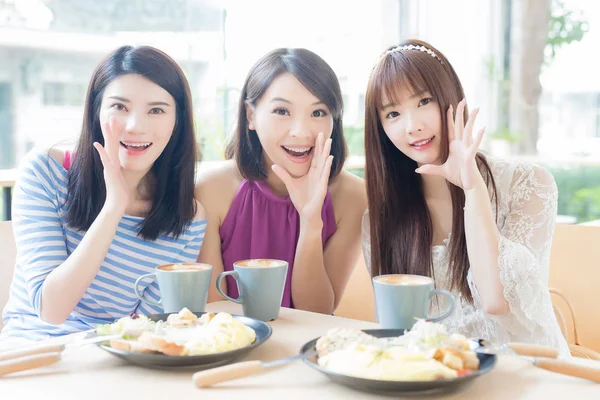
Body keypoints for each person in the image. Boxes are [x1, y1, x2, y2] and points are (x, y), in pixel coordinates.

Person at [362, 39, 569, 353]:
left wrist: (473, 190)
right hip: (442, 379)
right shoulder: (382, 218)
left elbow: (496, 299)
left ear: (450, 98)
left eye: (423, 101)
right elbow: (396, 330)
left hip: (530, 375)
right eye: (392, 114)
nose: (412, 126)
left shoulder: (529, 184)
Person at [1, 46, 206, 342]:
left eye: (157, 110)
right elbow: (52, 310)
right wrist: (113, 208)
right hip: (32, 354)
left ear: (177, 122)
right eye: (120, 107)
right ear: (96, 110)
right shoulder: (46, 172)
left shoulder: (187, 217)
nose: (135, 126)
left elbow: (150, 328)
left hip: (117, 362)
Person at [196, 48, 367, 314]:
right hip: (233, 347)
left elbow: (317, 312)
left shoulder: (353, 196)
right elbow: (213, 309)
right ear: (250, 116)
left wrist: (310, 222)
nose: (300, 132)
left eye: (318, 113)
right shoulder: (212, 190)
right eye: (281, 111)